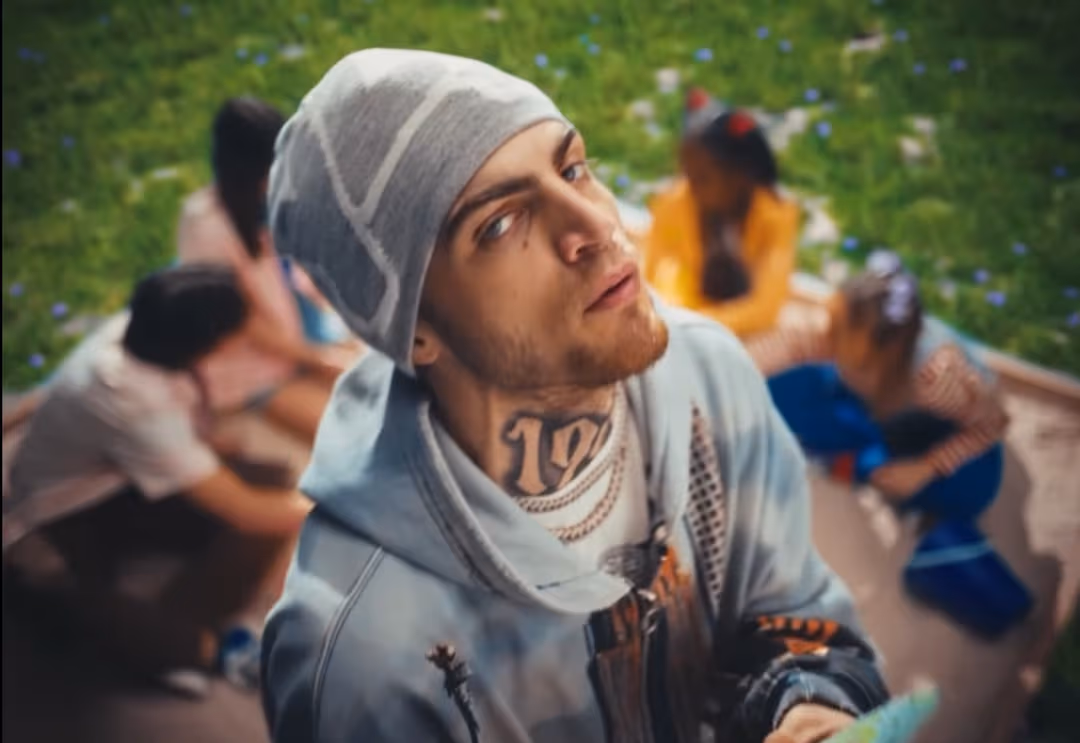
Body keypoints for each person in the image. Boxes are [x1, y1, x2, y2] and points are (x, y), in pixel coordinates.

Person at [260, 49, 888, 743]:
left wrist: (811, 703)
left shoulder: (709, 373)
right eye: (499, 225)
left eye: (572, 168)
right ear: (414, 331)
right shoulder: (361, 659)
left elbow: (794, 607)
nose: (594, 225)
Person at [2, 265, 313, 696]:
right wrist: (338, 504)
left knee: (271, 486)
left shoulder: (136, 329)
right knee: (90, 605)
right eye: (238, 328)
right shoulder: (137, 405)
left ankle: (191, 618)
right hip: (65, 508)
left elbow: (52, 396)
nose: (246, 332)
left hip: (114, 473)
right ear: (206, 341)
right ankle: (202, 648)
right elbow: (246, 510)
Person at [747, 250, 1009, 524]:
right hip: (886, 406)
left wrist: (924, 468)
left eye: (839, 331)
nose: (827, 335)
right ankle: (856, 458)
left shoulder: (936, 377)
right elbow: (788, 346)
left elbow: (994, 424)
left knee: (963, 492)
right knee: (792, 393)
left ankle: (862, 463)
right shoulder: (848, 336)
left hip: (936, 431)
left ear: (882, 352)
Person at [176, 97, 352, 444]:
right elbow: (243, 323)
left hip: (302, 337)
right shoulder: (207, 228)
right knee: (353, 440)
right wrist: (319, 359)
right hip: (253, 370)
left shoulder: (269, 200)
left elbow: (309, 266)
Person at [642, 89, 799, 337]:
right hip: (683, 330)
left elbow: (765, 308)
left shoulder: (775, 215)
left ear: (739, 176)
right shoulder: (673, 205)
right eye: (686, 173)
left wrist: (702, 325)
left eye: (702, 178)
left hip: (731, 333)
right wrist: (694, 327)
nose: (691, 186)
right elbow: (664, 290)